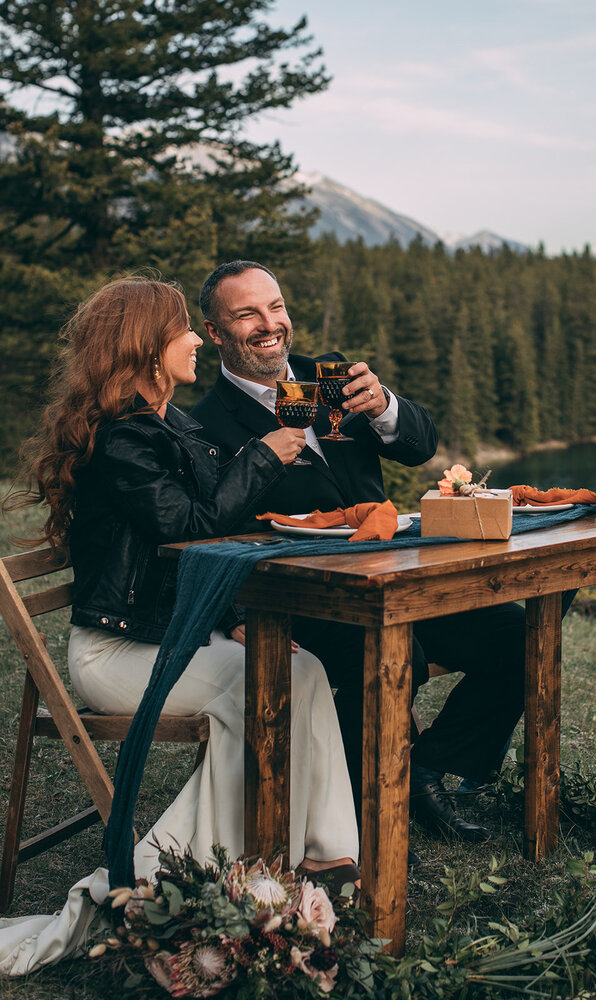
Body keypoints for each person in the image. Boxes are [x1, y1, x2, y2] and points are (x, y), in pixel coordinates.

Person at [0, 277, 359, 973]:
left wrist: (230, 623)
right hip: (118, 654)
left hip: (176, 637)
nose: (198, 339)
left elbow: (196, 549)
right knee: (263, 690)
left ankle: (323, 857)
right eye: (186, 329)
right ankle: (162, 885)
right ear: (151, 347)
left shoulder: (172, 426)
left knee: (299, 668)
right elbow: (187, 528)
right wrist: (266, 454)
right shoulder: (124, 440)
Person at [191, 261, 561, 845]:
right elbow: (205, 533)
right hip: (312, 600)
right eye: (248, 314)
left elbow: (423, 444)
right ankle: (364, 799)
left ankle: (426, 769)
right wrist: (232, 616)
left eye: (277, 307)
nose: (270, 324)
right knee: (395, 653)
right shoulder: (203, 423)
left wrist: (386, 405)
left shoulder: (332, 376)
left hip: (403, 575)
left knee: (524, 634)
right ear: (215, 332)